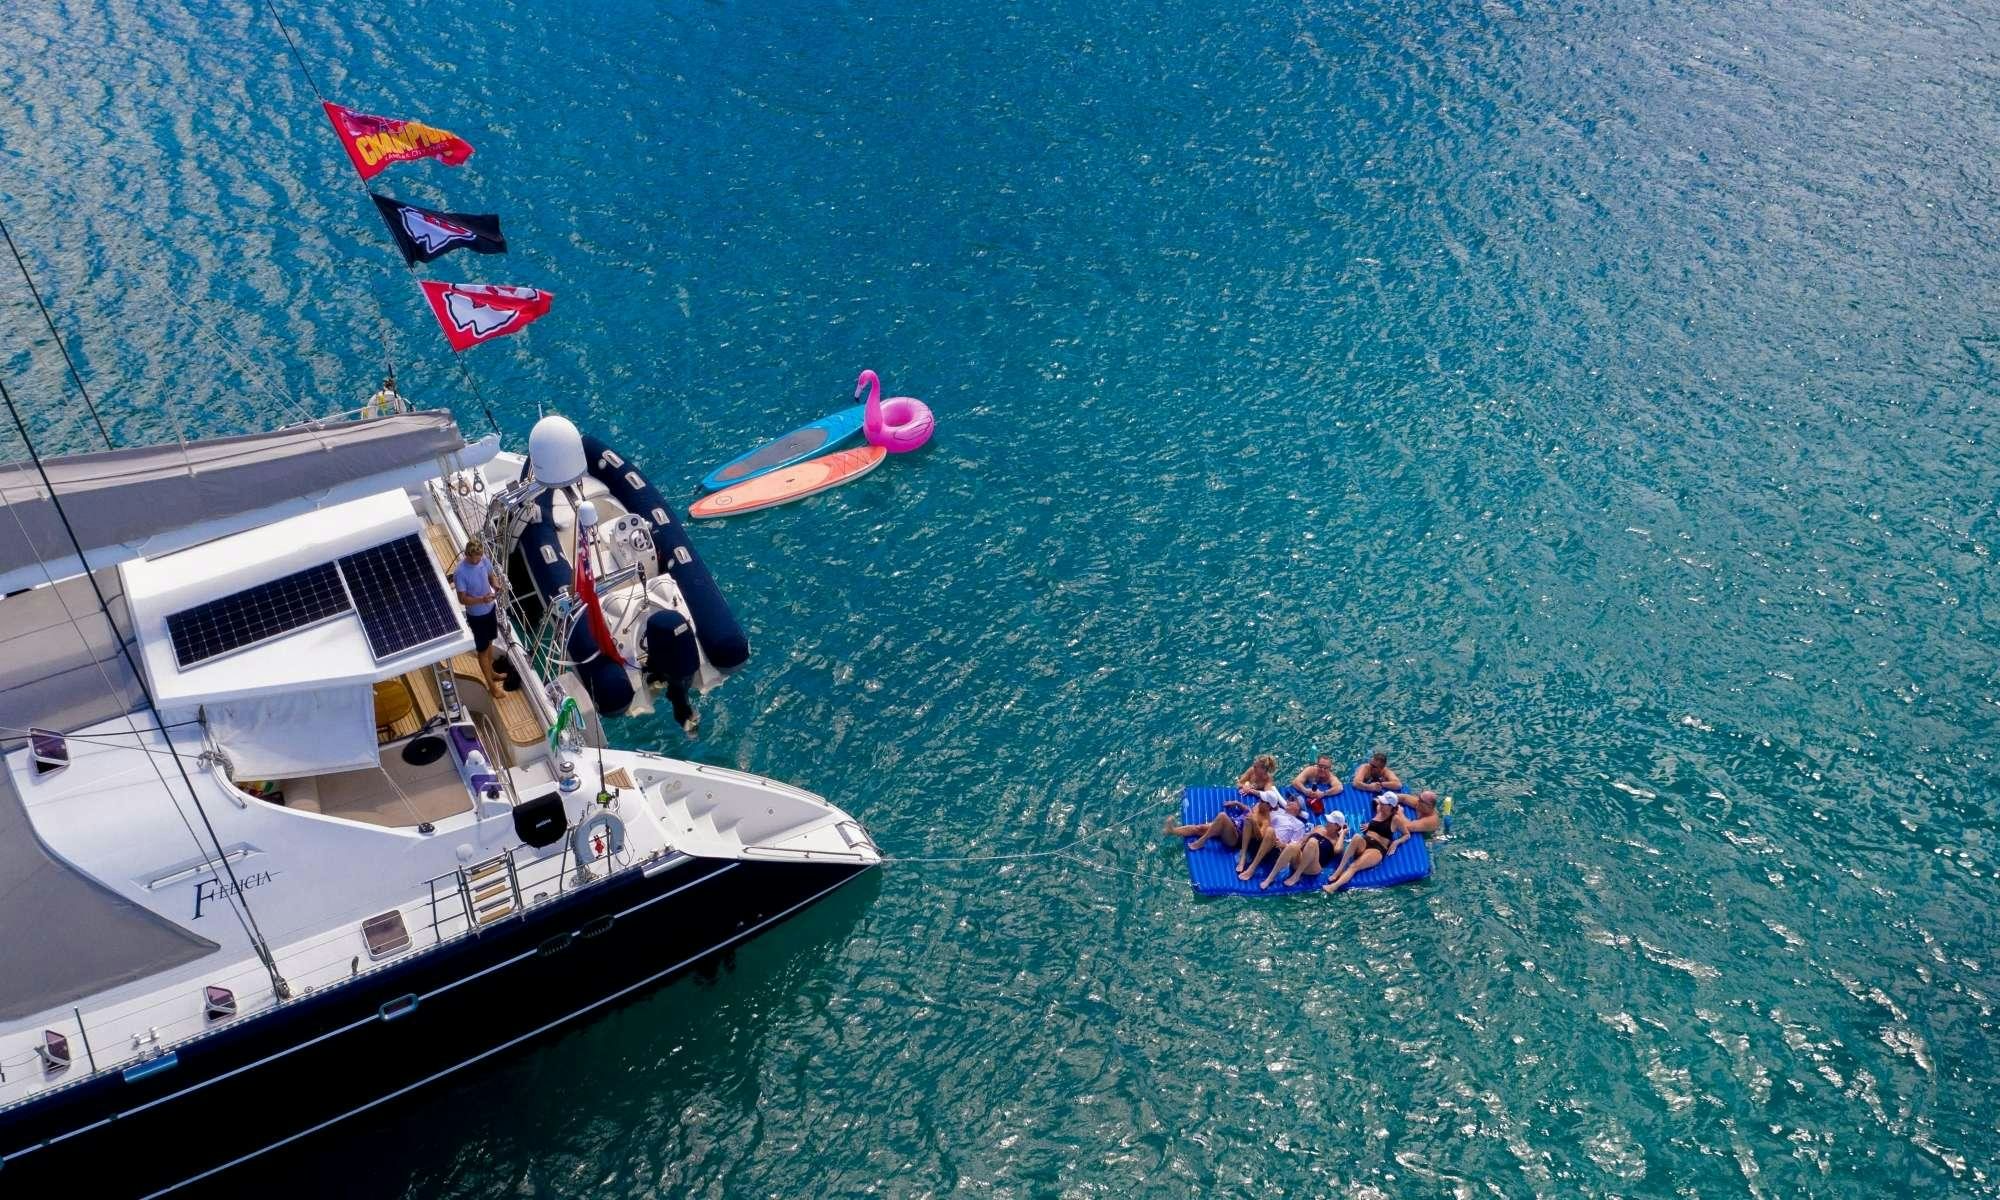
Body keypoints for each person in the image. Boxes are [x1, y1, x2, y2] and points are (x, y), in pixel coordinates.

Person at [1323, 793, 1409, 892]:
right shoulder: (1379, 809)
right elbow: (1375, 800)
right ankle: (1339, 870)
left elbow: (1407, 834)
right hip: (1365, 840)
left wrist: (1396, 842)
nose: (1380, 803)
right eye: (1381, 801)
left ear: (1391, 806)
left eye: (1383, 803)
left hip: (1377, 849)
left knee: (1354, 866)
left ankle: (1333, 887)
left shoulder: (1396, 819)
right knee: (1356, 836)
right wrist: (1370, 824)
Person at [451, 537, 505, 693]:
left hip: (490, 609)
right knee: (482, 650)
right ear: (468, 555)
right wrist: (482, 599)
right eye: (475, 559)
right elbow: (462, 599)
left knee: (489, 643)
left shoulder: (483, 560)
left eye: (480, 558)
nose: (478, 561)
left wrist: (494, 583)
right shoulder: (460, 572)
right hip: (477, 616)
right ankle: (491, 686)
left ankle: (492, 674)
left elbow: (490, 574)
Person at [1262, 807, 1347, 889]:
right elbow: (1302, 841)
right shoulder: (1319, 828)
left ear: (1337, 826)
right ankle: (1270, 877)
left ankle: (1297, 875)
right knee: (1293, 846)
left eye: (1330, 822)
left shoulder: (1336, 841)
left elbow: (1337, 850)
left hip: (1313, 867)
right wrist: (1286, 846)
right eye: (1328, 820)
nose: (1327, 822)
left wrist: (1342, 833)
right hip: (1300, 860)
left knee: (1313, 842)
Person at [1242, 795, 1311, 882]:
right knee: (1253, 822)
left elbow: (1295, 846)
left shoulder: (1299, 824)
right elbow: (1261, 807)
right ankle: (1243, 856)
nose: (1288, 801)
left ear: (1298, 808)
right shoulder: (1277, 810)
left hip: (1274, 849)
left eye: (1292, 800)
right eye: (1288, 799)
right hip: (1260, 839)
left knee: (1270, 831)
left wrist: (1283, 845)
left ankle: (1251, 869)